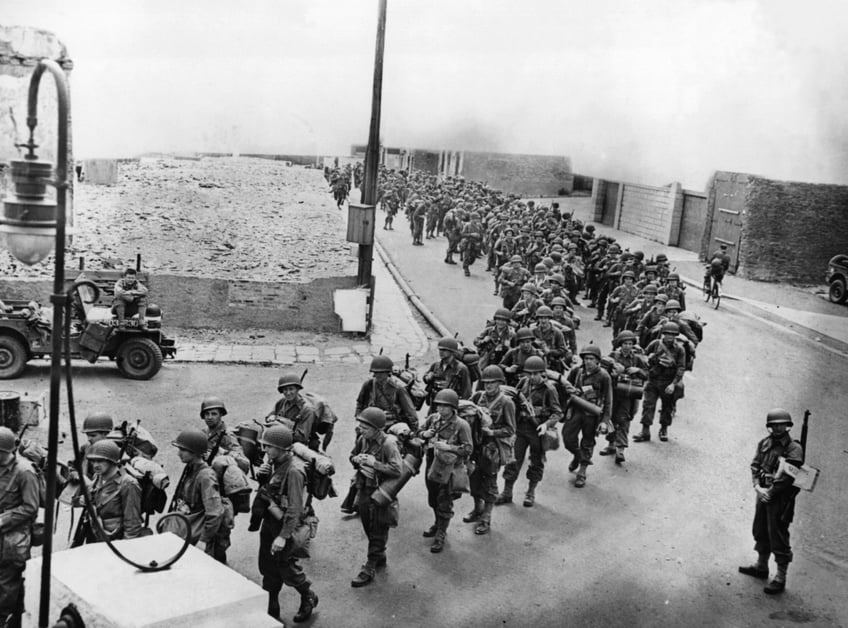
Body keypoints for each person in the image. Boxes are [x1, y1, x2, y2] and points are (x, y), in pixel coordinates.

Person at [256, 425, 319, 622]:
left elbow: (295, 508)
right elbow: (270, 489)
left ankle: (308, 595)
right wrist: (262, 477)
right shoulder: (274, 461)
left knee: (286, 568)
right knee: (267, 565)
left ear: (283, 449)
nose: (265, 450)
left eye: (269, 447)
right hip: (271, 521)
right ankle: (272, 605)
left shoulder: (294, 471)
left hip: (286, 525)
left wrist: (283, 537)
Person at [738, 409, 803, 595]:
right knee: (760, 528)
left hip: (780, 498)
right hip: (763, 493)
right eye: (774, 425)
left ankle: (781, 577)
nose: (777, 427)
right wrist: (758, 487)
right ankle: (761, 566)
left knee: (778, 534)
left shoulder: (793, 448)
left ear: (787, 425)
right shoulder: (764, 443)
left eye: (781, 424)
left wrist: (771, 492)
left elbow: (789, 477)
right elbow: (755, 465)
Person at [496, 356, 562, 507]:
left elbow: (557, 412)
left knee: (536, 461)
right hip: (521, 428)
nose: (532, 377)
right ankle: (507, 492)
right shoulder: (523, 383)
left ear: (542, 373)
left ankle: (531, 492)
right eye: (529, 373)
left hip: (537, 430)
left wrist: (547, 424)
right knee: (513, 459)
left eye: (536, 374)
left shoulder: (549, 390)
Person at [349, 408, 403, 587]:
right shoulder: (362, 439)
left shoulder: (389, 444)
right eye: (360, 425)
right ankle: (379, 554)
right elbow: (351, 455)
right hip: (364, 489)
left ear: (377, 428)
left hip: (382, 491)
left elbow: (397, 470)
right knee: (368, 526)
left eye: (365, 426)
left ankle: (370, 565)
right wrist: (356, 459)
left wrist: (375, 464)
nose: (361, 429)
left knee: (379, 527)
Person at [418, 389, 473, 553]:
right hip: (432, 463)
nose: (440, 410)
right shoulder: (433, 419)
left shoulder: (461, 425)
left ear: (453, 408)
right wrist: (424, 433)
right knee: (433, 497)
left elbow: (468, 449)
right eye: (438, 406)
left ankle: (441, 533)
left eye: (445, 407)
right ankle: (437, 523)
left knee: (444, 500)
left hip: (449, 468)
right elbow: (419, 432)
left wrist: (449, 447)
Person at [171, 429, 232, 564]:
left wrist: (203, 540)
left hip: (196, 537)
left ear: (195, 452)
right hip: (186, 530)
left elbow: (215, 512)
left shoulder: (205, 476)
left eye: (183, 450)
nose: (179, 453)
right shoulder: (190, 468)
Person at [467, 366, 515, 534]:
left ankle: (486, 518)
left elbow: (510, 429)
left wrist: (492, 432)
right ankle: (477, 508)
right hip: (477, 445)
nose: (488, 386)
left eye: (492, 382)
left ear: (499, 383)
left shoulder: (506, 402)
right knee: (473, 478)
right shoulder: (478, 397)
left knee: (489, 483)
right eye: (486, 382)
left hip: (493, 448)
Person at [0, 426, 39, 628]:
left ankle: (7, 618)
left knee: (8, 580)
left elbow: (31, 507)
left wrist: (3, 520)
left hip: (13, 537)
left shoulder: (25, 472)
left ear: (5, 452)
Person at [71, 439, 143, 546]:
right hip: (96, 536)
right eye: (93, 461)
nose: (95, 465)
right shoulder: (98, 477)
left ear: (112, 461)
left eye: (100, 461)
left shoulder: (128, 484)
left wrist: (126, 549)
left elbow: (132, 524)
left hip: (116, 541)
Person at [561, 345, 613, 487]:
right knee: (568, 438)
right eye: (586, 358)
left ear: (598, 361)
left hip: (592, 414)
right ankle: (578, 456)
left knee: (588, 441)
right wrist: (571, 392)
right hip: (576, 410)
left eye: (591, 359)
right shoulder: (577, 371)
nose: (588, 362)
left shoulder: (604, 376)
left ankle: (582, 471)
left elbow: (608, 400)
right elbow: (566, 387)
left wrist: (605, 421)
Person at [600, 331, 649, 464]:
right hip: (613, 392)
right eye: (625, 343)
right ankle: (611, 444)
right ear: (620, 344)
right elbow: (603, 372)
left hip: (628, 394)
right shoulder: (613, 356)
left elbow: (647, 374)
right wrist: (615, 372)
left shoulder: (637, 359)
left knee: (623, 419)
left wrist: (637, 371)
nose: (627, 346)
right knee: (610, 418)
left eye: (630, 344)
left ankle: (620, 449)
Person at [634, 322, 686, 443]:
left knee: (667, 407)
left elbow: (681, 368)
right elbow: (644, 357)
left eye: (673, 335)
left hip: (668, 382)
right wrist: (650, 358)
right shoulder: (655, 344)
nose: (670, 337)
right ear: (663, 334)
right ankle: (645, 430)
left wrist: (673, 384)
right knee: (648, 405)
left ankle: (664, 429)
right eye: (667, 334)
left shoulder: (679, 349)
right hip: (653, 380)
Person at [355, 356, 419, 431]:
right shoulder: (368, 385)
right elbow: (360, 403)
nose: (377, 375)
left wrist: (414, 431)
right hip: (372, 422)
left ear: (388, 373)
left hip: (391, 424)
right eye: (375, 372)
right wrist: (359, 418)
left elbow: (410, 412)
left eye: (381, 372)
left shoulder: (398, 388)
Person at [199, 396, 250, 473]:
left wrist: (223, 453)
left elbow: (244, 464)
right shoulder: (203, 433)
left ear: (221, 415)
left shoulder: (227, 435)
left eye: (214, 414)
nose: (209, 417)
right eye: (207, 414)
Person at [269, 372, 319, 451]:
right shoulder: (282, 402)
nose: (288, 393)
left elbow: (303, 438)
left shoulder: (307, 409)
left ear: (297, 389)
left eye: (291, 389)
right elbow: (271, 415)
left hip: (301, 447)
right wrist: (271, 417)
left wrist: (281, 425)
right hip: (281, 442)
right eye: (285, 389)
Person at [422, 337, 472, 411]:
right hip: (435, 403)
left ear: (452, 351)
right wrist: (427, 377)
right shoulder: (436, 365)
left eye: (444, 350)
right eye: (440, 349)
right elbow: (426, 377)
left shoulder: (461, 369)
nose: (441, 352)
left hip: (451, 405)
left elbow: (466, 392)